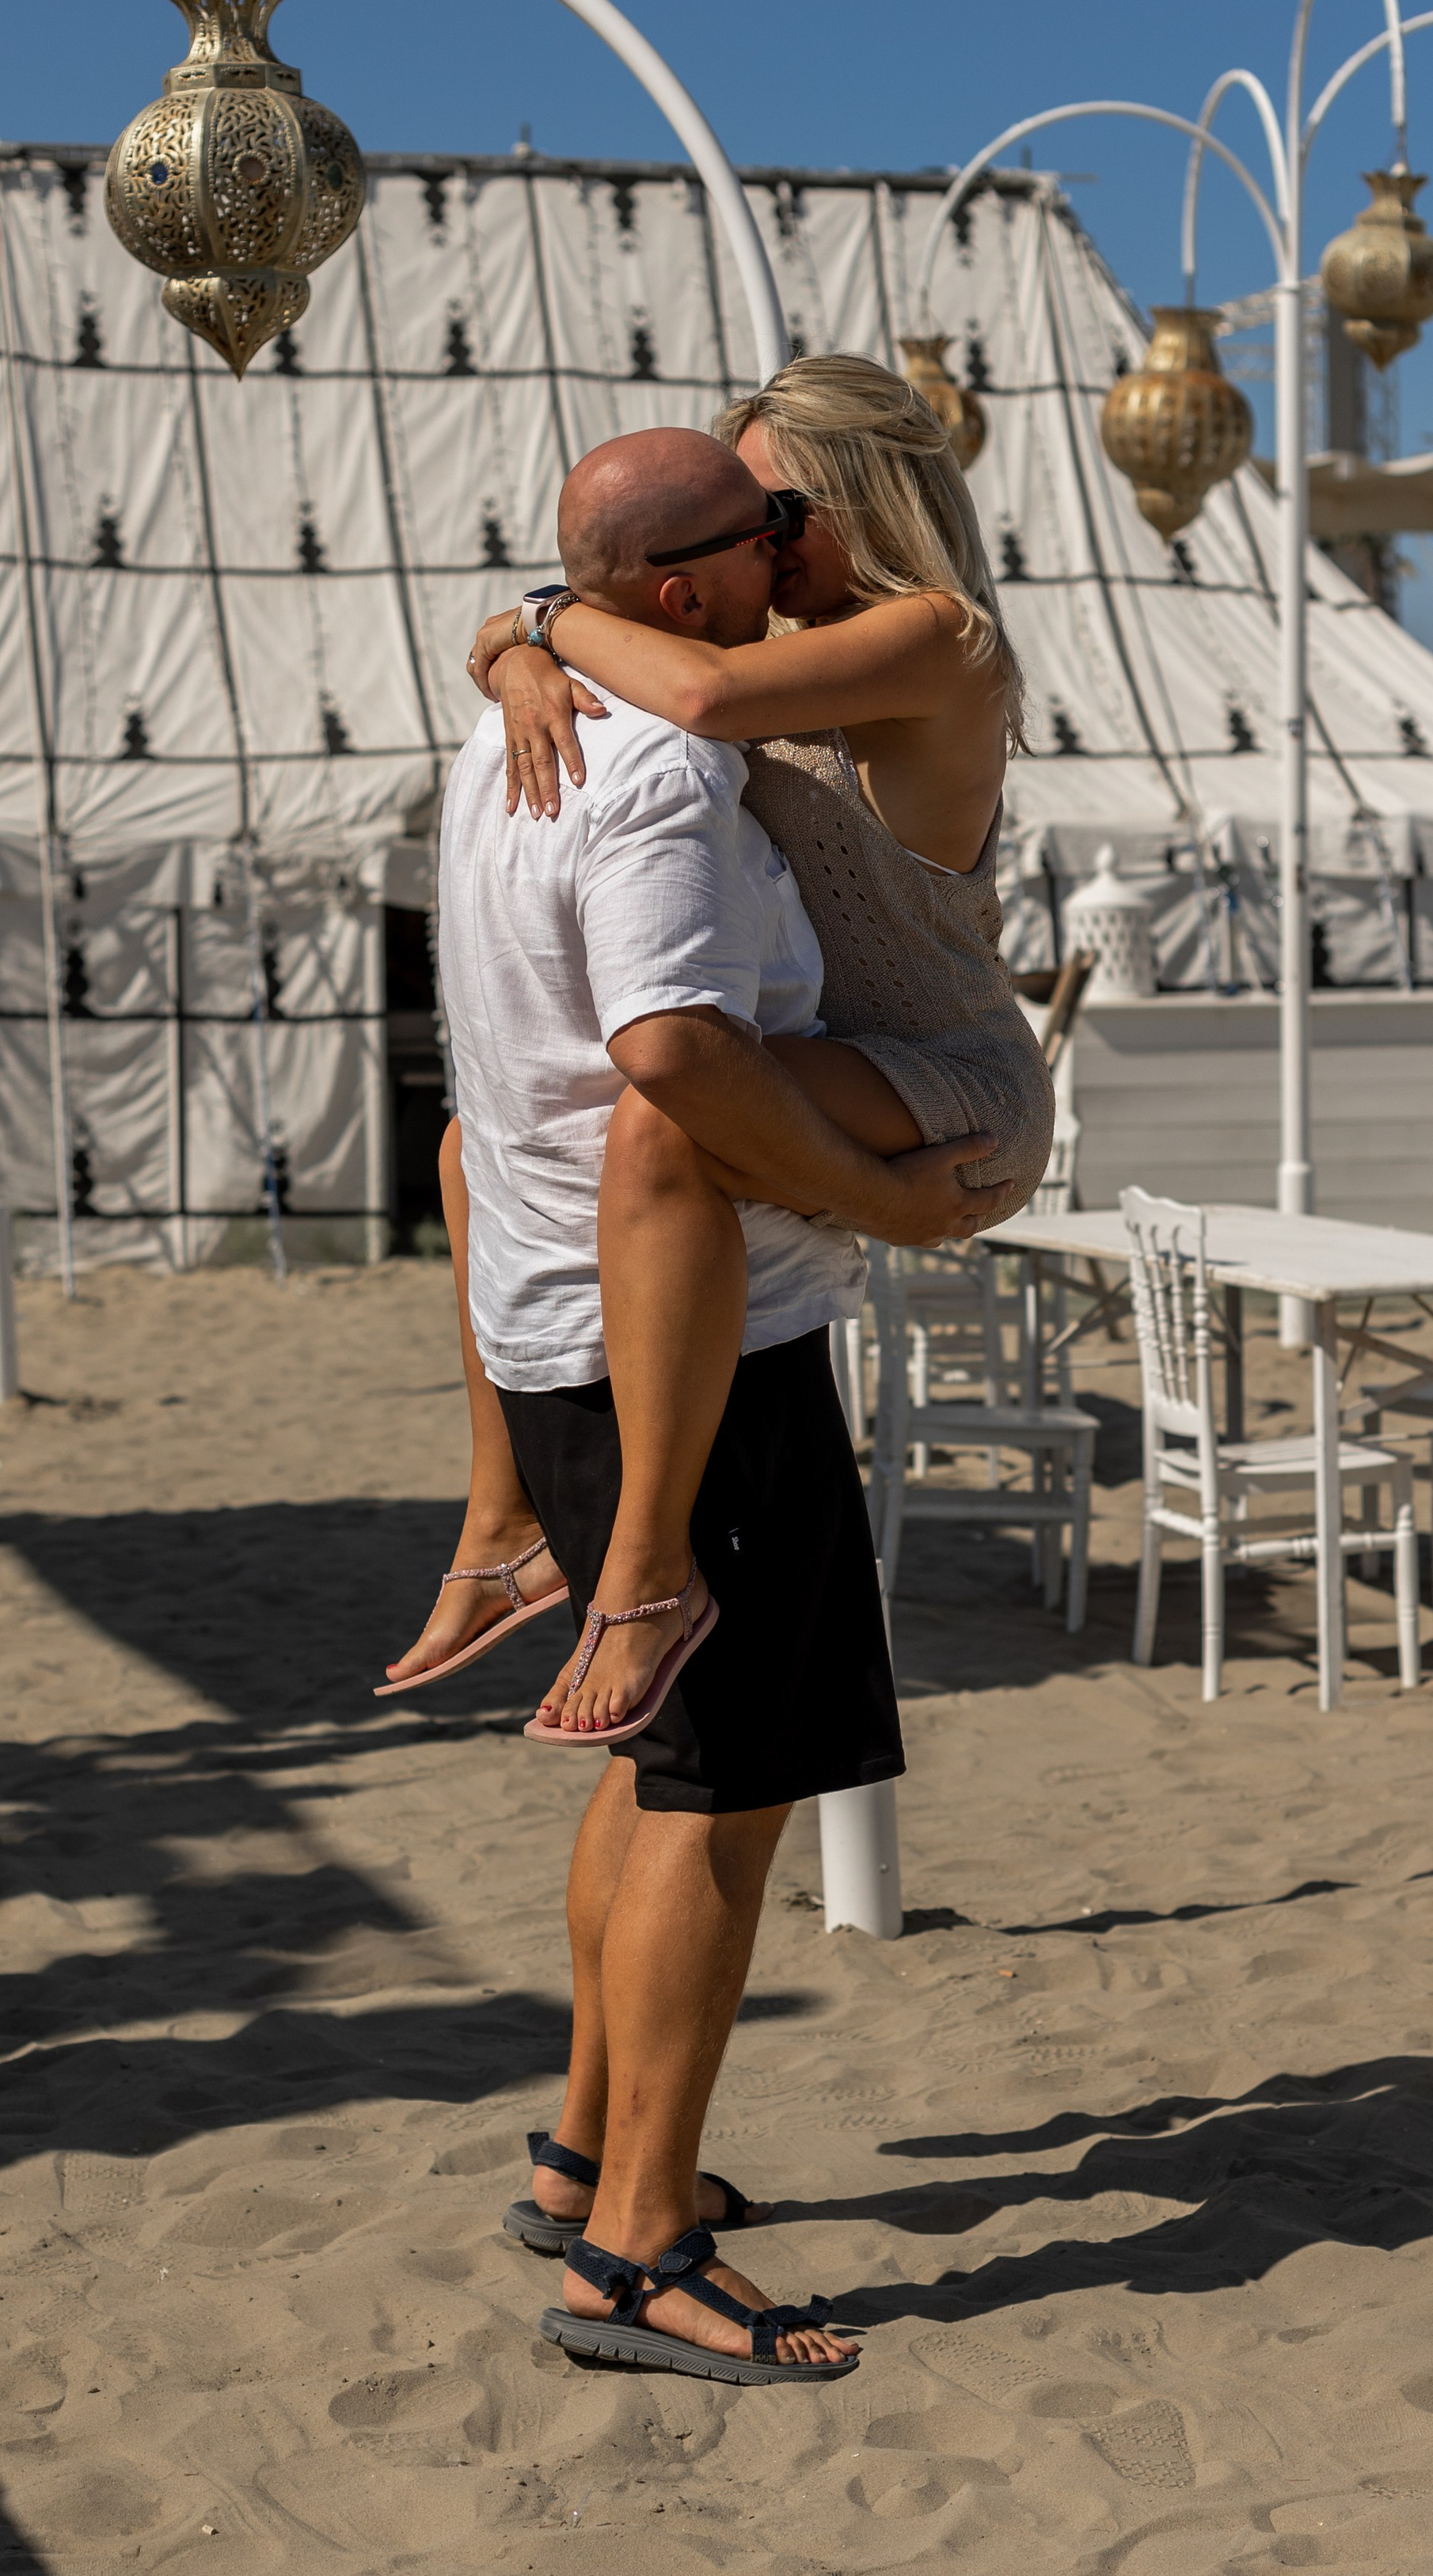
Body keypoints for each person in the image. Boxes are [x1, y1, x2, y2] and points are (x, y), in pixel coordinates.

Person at [428, 423, 1010, 2380]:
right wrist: (878, 1200)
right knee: (724, 1795)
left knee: (654, 1764)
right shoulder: (667, 765)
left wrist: (524, 634)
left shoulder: (508, 739)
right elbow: (673, 1057)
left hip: (565, 1327)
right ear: (685, 583)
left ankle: (586, 2156)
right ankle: (636, 2249)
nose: (782, 552)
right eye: (758, 530)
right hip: (700, 1345)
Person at [412, 353, 1052, 1747]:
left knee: (665, 1114)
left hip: (945, 1073)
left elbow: (694, 690)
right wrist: (519, 651)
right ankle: (504, 1511)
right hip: (833, 1055)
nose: (763, 542)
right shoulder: (772, 644)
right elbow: (632, 634)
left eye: (780, 511)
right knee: (476, 1145)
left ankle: (647, 1571)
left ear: (865, 495)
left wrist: (542, 622)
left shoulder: (938, 636)